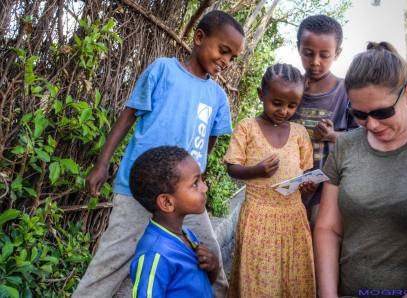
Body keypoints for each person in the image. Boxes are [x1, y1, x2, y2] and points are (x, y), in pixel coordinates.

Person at [73, 10, 244, 298]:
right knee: (112, 262)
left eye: (233, 58)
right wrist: (102, 164)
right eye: (223, 51)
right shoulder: (163, 71)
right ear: (199, 38)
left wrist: (197, 182)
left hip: (185, 197)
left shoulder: (217, 98)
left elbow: (207, 145)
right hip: (137, 190)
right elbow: (127, 118)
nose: (226, 62)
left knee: (210, 258)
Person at [314, 42, 407, 298]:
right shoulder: (344, 146)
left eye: (383, 112)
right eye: (360, 115)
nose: (372, 125)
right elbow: (328, 228)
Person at [225, 63, 316, 297]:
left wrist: (307, 184)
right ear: (261, 95)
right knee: (258, 281)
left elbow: (306, 173)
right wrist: (256, 170)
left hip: (293, 217)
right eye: (277, 103)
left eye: (292, 105)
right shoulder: (247, 127)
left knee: (291, 279)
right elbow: (232, 168)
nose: (284, 110)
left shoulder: (299, 133)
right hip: (258, 217)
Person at [292, 15, 357, 226]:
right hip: (290, 190)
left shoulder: (347, 92)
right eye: (308, 53)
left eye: (324, 55)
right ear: (298, 47)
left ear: (337, 53)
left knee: (319, 251)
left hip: (328, 193)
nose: (315, 62)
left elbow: (363, 139)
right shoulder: (287, 89)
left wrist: (332, 136)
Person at [129, 146, 218, 298]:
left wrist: (213, 268)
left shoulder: (187, 235)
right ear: (167, 202)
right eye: (195, 183)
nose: (205, 188)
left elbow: (199, 286)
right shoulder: (155, 254)